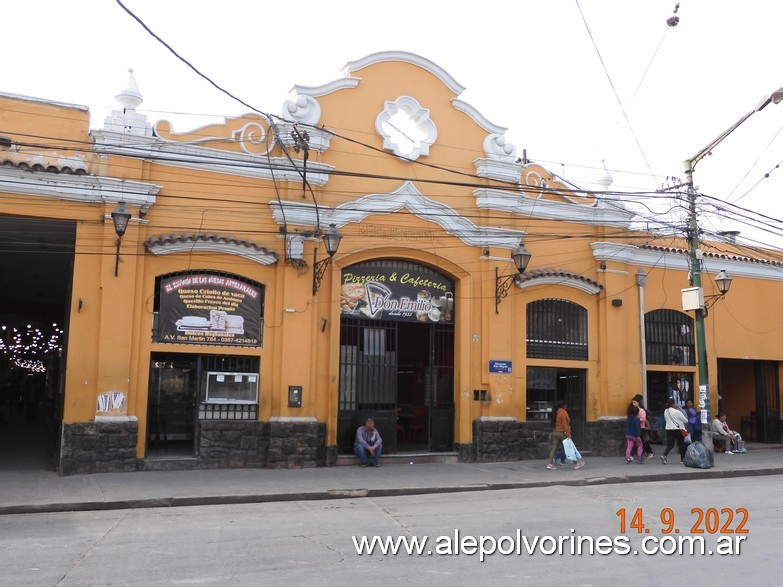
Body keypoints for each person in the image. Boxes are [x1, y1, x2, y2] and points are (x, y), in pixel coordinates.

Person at [547, 401, 585, 470]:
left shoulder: (555, 412)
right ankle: (576, 463)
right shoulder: (563, 413)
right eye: (566, 405)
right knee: (570, 448)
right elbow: (565, 425)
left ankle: (550, 464)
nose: (566, 407)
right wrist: (568, 435)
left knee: (554, 449)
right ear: (563, 406)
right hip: (561, 433)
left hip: (555, 432)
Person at [661, 397, 689, 464]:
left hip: (668, 429)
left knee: (670, 445)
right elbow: (686, 421)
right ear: (673, 404)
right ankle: (682, 459)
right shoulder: (677, 412)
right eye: (675, 403)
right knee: (681, 444)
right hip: (678, 430)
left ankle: (664, 455)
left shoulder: (665, 411)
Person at [631, 394, 655, 460]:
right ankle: (647, 453)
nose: (633, 404)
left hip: (642, 428)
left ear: (638, 403)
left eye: (634, 402)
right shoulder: (635, 410)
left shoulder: (641, 410)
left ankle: (633, 455)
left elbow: (643, 419)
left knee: (640, 441)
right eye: (632, 402)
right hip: (637, 427)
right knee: (640, 441)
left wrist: (637, 420)